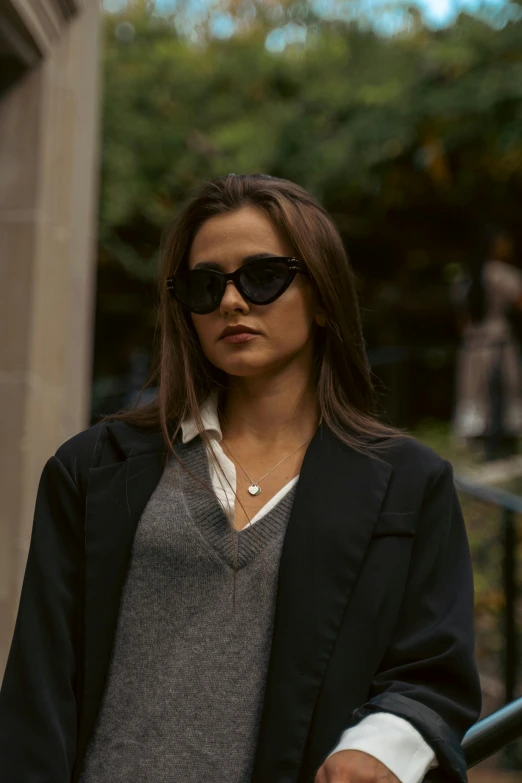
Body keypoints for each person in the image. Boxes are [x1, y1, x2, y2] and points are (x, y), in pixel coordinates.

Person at [0, 174, 481, 783]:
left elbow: (434, 669)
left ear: (325, 296)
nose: (231, 302)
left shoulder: (409, 485)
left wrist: (382, 745)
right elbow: (37, 690)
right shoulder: (94, 468)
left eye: (263, 276)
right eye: (205, 286)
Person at [453, 227, 522, 460]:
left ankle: (482, 447)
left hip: (473, 346)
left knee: (476, 393)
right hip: (499, 342)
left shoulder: (466, 277)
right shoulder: (503, 274)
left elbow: (461, 321)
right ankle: (501, 446)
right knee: (503, 392)